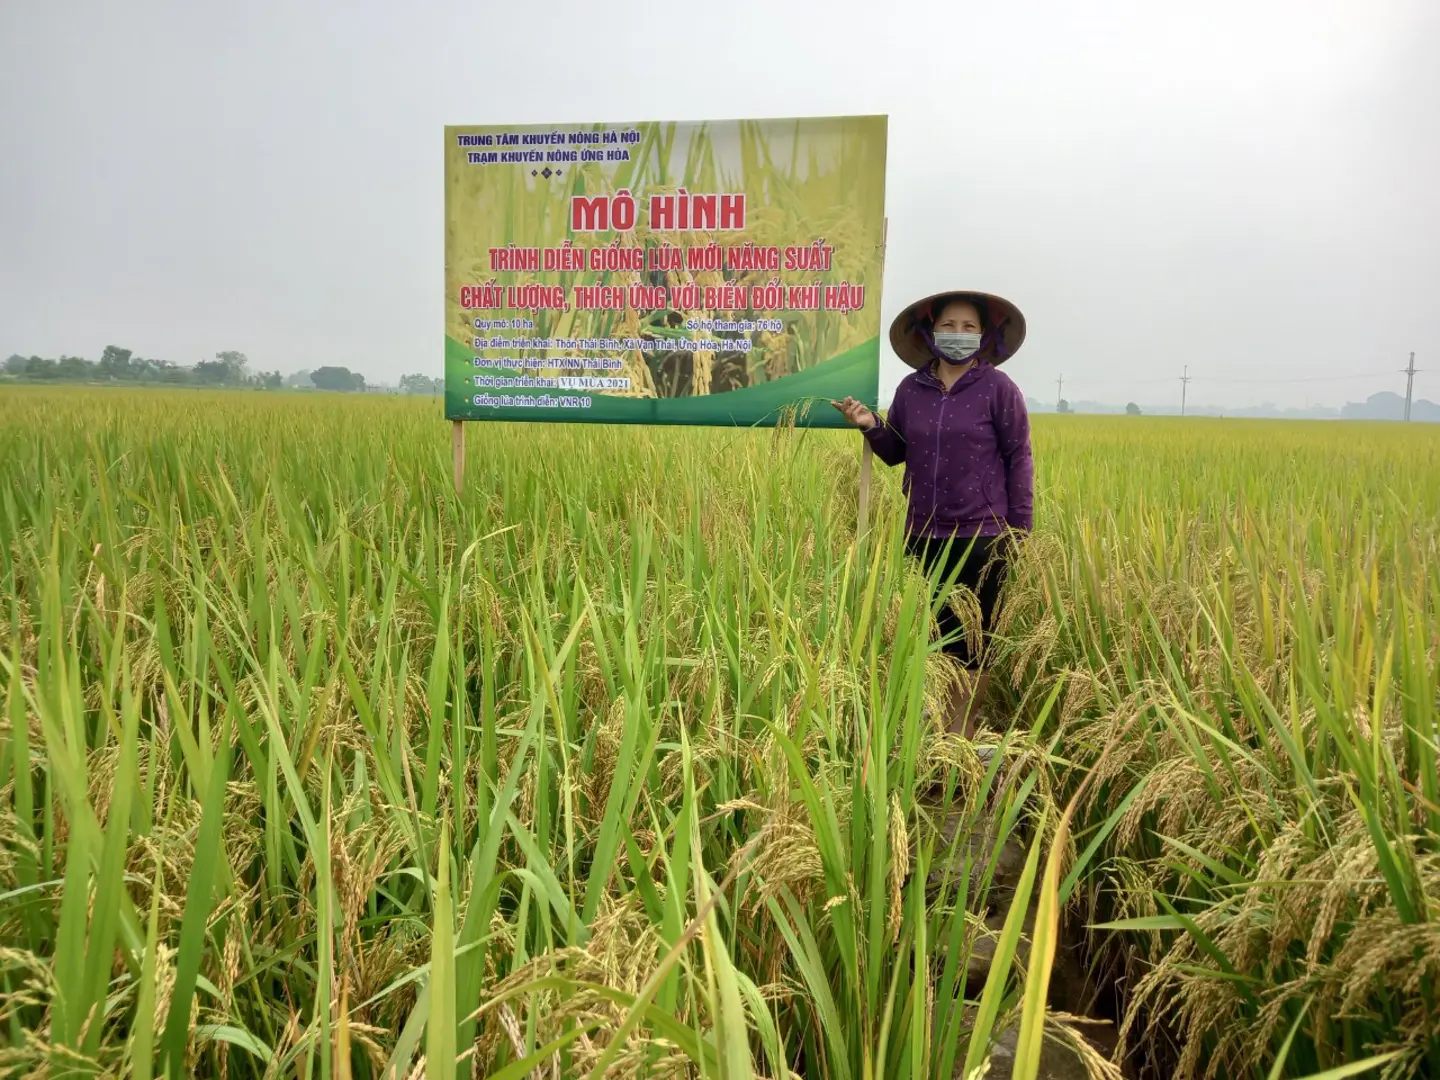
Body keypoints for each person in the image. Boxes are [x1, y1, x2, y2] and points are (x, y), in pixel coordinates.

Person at [832, 290, 1033, 737]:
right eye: (949, 326)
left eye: (968, 327)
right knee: (938, 637)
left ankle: (961, 732)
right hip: (925, 532)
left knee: (976, 641)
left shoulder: (999, 390)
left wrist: (1019, 534)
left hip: (984, 536)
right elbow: (898, 451)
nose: (958, 335)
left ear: (983, 335)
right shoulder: (912, 390)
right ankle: (939, 726)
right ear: (930, 331)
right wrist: (870, 427)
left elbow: (1019, 459)